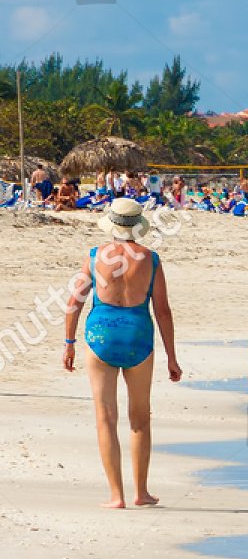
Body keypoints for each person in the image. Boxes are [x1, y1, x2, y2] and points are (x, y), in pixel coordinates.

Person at [62, 199, 183, 508]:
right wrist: (171, 356)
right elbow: (163, 310)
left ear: (111, 225)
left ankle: (116, 495)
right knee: (140, 418)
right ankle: (141, 492)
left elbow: (74, 301)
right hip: (137, 337)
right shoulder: (150, 259)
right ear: (138, 226)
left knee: (105, 418)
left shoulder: (95, 256)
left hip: (101, 336)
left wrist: (69, 342)